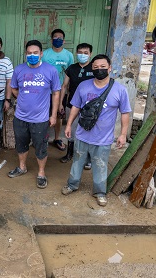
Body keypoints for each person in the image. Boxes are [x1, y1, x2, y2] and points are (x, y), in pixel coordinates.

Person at [62, 54, 131, 207]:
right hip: (82, 134)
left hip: (103, 139)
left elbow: (125, 113)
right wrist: (68, 125)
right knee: (77, 162)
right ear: (91, 69)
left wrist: (123, 134)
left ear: (110, 68)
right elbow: (76, 107)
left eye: (103, 67)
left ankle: (100, 192)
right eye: (95, 68)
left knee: (100, 165)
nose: (99, 70)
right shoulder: (83, 86)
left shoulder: (119, 90)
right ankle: (72, 185)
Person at [7, 40, 61, 189]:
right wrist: (25, 100)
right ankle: (22, 167)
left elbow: (56, 93)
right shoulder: (19, 70)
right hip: (21, 117)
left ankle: (41, 173)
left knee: (41, 146)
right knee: (21, 144)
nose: (32, 55)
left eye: (35, 53)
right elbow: (14, 89)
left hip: (40, 119)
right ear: (26, 54)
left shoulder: (51, 71)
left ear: (41, 54)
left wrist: (53, 115)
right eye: (29, 53)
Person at [58, 42, 94, 165]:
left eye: (85, 53)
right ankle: (69, 154)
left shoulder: (94, 69)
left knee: (88, 131)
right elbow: (64, 86)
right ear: (76, 53)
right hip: (72, 104)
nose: (82, 55)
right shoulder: (72, 68)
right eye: (80, 53)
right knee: (71, 131)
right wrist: (60, 104)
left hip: (89, 106)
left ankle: (88, 159)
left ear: (90, 54)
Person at [41, 28, 74, 153]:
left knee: (59, 115)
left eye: (60, 38)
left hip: (61, 91)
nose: (58, 39)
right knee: (44, 114)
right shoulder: (45, 54)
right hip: (45, 91)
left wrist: (67, 91)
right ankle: (43, 137)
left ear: (64, 41)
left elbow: (70, 74)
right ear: (51, 40)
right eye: (55, 37)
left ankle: (57, 138)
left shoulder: (69, 55)